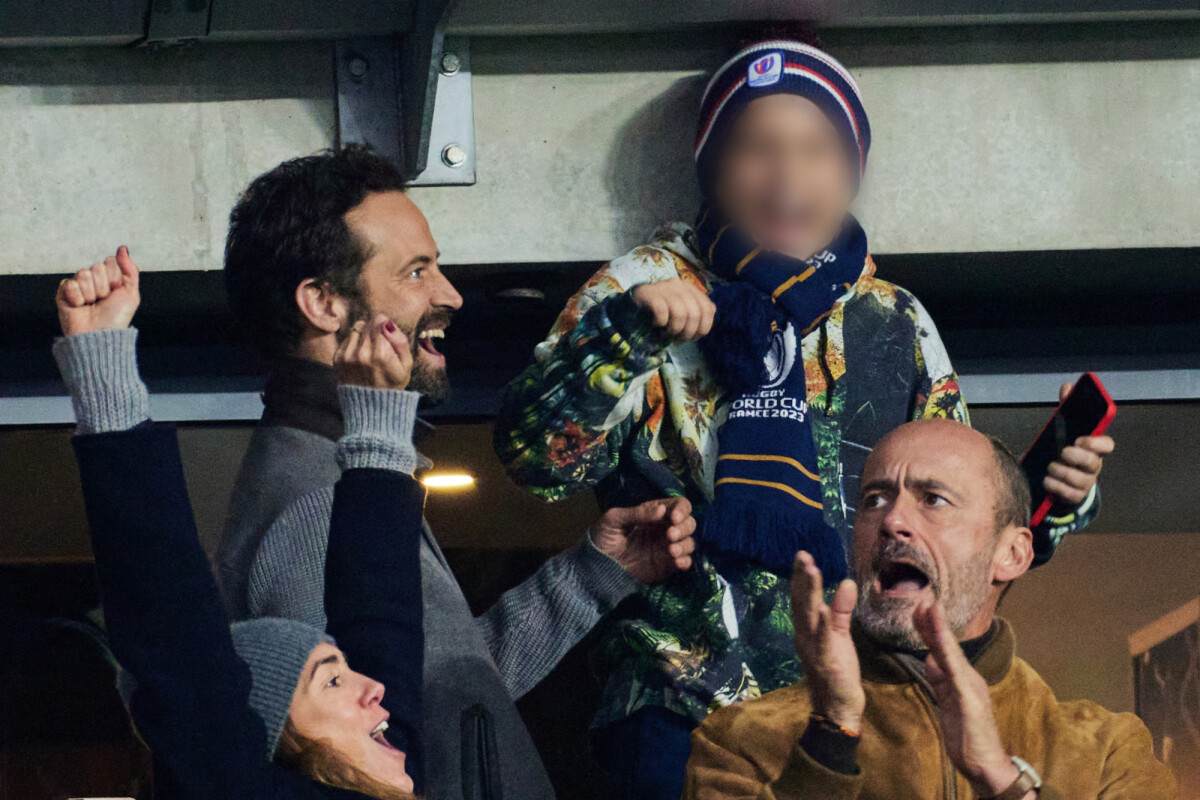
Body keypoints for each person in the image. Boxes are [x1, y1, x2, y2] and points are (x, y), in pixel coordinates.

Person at [493, 27, 1114, 799]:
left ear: (852, 172)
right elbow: (538, 462)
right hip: (676, 704)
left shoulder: (893, 319)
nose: (789, 174)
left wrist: (1053, 499)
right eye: (757, 147)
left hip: (863, 703)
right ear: (712, 168)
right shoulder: (639, 288)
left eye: (819, 149)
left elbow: (961, 526)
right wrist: (623, 338)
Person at [216, 145, 699, 800]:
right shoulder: (314, 497)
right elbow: (361, 761)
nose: (450, 295)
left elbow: (429, 699)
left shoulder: (338, 476)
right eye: (416, 273)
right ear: (325, 305)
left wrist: (590, 576)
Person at [53, 248, 431, 799]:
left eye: (343, 673)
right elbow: (179, 648)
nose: (375, 690)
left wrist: (378, 420)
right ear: (273, 743)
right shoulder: (242, 787)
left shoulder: (389, 770)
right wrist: (104, 377)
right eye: (330, 679)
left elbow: (382, 618)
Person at [683, 418, 1174, 800]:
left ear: (1013, 554)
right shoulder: (739, 740)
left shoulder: (1107, 749)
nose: (893, 520)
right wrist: (830, 738)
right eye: (874, 499)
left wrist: (1003, 781)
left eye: (933, 499)